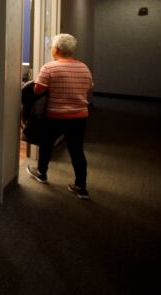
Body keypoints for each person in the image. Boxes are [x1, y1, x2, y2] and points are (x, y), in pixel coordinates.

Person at [26, 34, 94, 199]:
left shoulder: (49, 68)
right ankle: (81, 187)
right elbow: (89, 87)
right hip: (79, 116)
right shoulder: (83, 67)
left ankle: (42, 173)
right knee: (77, 150)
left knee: (46, 144)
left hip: (56, 115)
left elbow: (37, 90)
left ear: (56, 49)